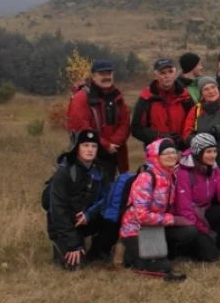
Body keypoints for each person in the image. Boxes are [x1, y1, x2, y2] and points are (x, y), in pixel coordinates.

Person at [119, 138, 199, 276]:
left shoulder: (171, 177)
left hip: (157, 227)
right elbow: (142, 216)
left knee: (190, 230)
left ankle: (157, 252)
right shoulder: (146, 178)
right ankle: (131, 254)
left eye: (173, 152)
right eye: (166, 153)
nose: (171, 156)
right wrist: (173, 219)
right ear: (156, 157)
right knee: (164, 267)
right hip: (137, 230)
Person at [46, 129, 118, 270]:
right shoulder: (64, 172)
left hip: (86, 220)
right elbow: (58, 210)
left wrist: (89, 214)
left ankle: (97, 252)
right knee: (76, 266)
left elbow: (107, 198)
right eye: (85, 145)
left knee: (114, 217)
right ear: (77, 147)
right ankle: (62, 245)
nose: (90, 150)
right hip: (64, 224)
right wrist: (73, 243)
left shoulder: (99, 170)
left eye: (94, 146)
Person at [174, 133, 220, 261]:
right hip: (189, 218)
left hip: (205, 211)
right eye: (208, 151)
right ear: (198, 152)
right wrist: (206, 231)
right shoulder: (183, 172)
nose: (213, 155)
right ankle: (182, 248)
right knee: (210, 256)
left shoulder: (213, 168)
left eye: (215, 151)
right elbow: (184, 209)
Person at [64, 59, 131, 174]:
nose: (106, 77)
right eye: (102, 74)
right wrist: (105, 145)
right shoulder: (81, 98)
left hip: (112, 156)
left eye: (109, 73)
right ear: (93, 76)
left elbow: (125, 124)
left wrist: (113, 144)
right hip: (87, 158)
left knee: (109, 189)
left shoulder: (117, 97)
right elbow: (81, 127)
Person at [131, 58, 194, 150]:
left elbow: (195, 122)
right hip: (156, 151)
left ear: (175, 74)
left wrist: (184, 138)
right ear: (155, 76)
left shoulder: (185, 96)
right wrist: (160, 136)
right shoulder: (147, 97)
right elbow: (136, 129)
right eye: (162, 73)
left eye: (170, 72)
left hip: (182, 150)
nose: (167, 76)